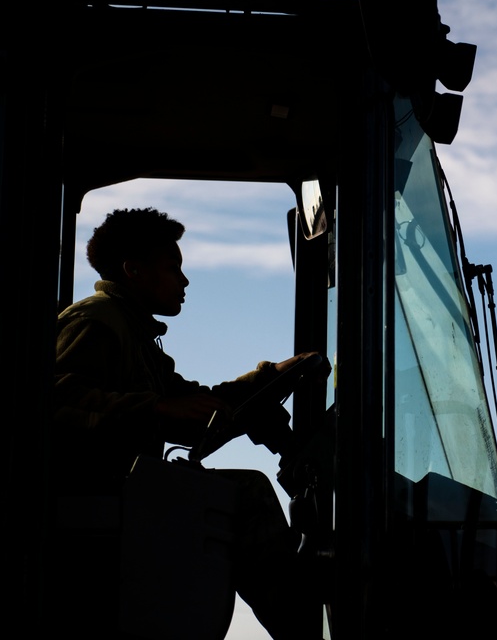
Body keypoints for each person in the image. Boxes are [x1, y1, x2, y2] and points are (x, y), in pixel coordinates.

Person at [52, 207, 320, 639]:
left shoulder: (137, 336)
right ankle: (308, 633)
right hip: (102, 502)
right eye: (172, 267)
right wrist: (155, 410)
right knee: (246, 495)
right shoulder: (96, 321)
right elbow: (53, 399)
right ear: (133, 270)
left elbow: (195, 403)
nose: (185, 280)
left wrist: (272, 378)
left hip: (129, 498)